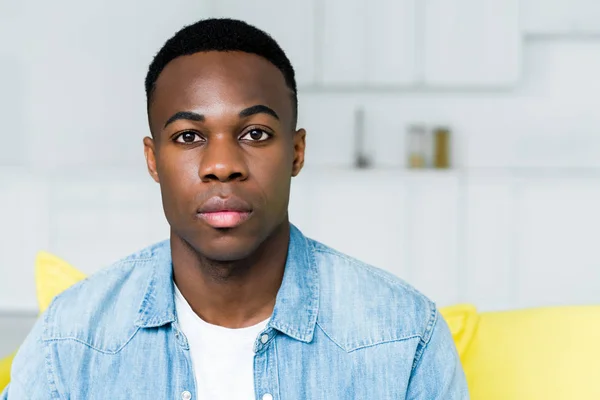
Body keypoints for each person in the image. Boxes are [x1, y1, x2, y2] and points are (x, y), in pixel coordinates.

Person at [2, 18, 468, 399]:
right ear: (153, 161)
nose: (222, 166)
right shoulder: (69, 340)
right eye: (189, 136)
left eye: (255, 134)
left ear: (296, 153)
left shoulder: (406, 336)